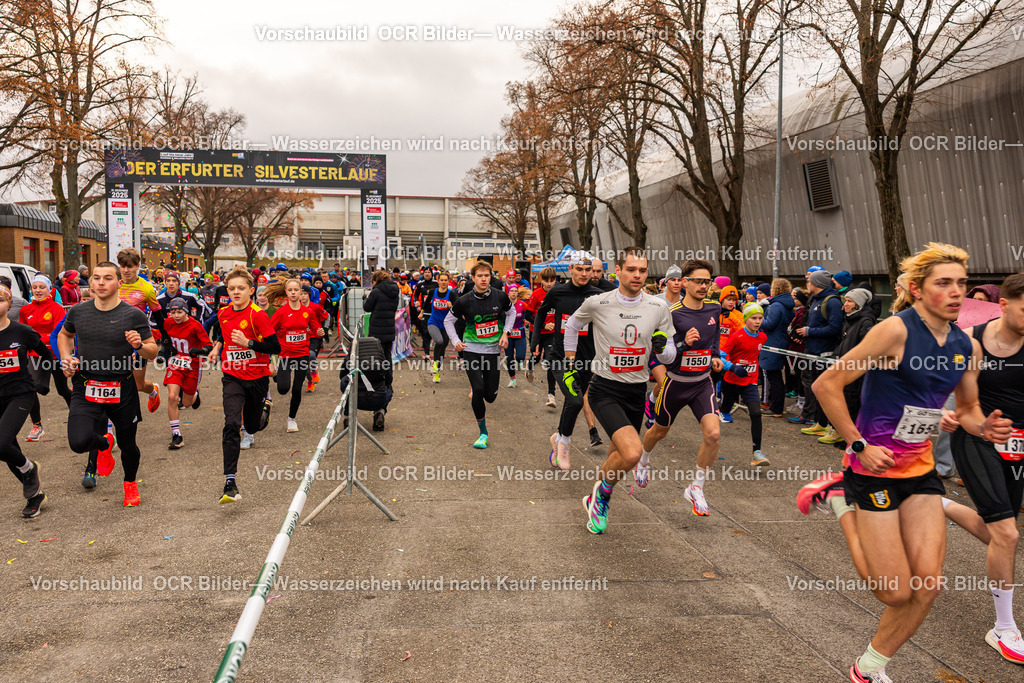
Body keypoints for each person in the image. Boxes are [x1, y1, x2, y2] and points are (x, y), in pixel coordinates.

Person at [796, 243, 980, 683]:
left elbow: (969, 409)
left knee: (928, 585)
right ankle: (839, 499)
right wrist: (858, 444)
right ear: (917, 289)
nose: (956, 291)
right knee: (894, 592)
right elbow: (826, 384)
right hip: (872, 470)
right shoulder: (894, 332)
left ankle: (867, 668)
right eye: (944, 283)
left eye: (961, 283)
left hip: (921, 473)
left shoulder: (965, 345)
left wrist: (983, 425)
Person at [940, 272, 1024, 665]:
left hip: (1018, 444)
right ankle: (1004, 627)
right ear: (1003, 305)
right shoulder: (970, 342)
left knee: (1000, 532)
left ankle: (936, 505)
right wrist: (946, 413)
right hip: (977, 436)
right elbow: (952, 393)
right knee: (1007, 533)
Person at [566, 247, 674, 534]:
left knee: (618, 458)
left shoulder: (657, 307)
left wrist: (662, 350)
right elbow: (572, 325)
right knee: (632, 452)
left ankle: (596, 497)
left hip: (636, 391)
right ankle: (601, 498)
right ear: (618, 271)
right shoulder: (598, 302)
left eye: (642, 270)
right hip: (605, 389)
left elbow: (670, 355)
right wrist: (569, 359)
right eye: (631, 269)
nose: (637, 275)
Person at [59, 262, 157, 506]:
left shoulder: (132, 315)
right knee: (78, 442)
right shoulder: (78, 312)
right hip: (86, 384)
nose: (101, 282)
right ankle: (104, 444)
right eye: (96, 277)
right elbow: (65, 334)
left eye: (107, 278)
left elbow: (153, 351)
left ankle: (130, 484)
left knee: (128, 445)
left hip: (121, 387)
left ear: (119, 283)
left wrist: (139, 346)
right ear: (91, 281)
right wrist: (66, 357)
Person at [638, 260, 724, 511]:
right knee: (659, 432)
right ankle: (643, 460)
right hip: (676, 382)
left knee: (713, 434)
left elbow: (715, 336)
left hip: (702, 383)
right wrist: (684, 343)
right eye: (698, 281)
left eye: (707, 282)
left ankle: (696, 486)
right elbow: (663, 355)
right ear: (685, 282)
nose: (703, 286)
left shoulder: (714, 308)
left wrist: (715, 356)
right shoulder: (672, 313)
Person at [206, 267, 279, 503]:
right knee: (231, 423)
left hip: (257, 377)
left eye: (241, 288)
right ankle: (230, 482)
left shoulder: (258, 315)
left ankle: (265, 406)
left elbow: (275, 347)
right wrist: (217, 348)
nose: (236, 292)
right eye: (231, 289)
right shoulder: (223, 313)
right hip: (232, 376)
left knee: (253, 426)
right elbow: (224, 334)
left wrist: (248, 343)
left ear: (251, 290)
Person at [532, 252, 603, 467]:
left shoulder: (599, 295)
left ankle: (558, 437)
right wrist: (534, 341)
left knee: (574, 401)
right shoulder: (557, 292)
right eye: (579, 269)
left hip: (586, 359)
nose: (584, 274)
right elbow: (540, 314)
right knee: (575, 400)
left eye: (588, 270)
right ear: (570, 269)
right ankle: (564, 443)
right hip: (560, 357)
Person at [444, 261, 515, 449]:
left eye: (486, 275)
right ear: (473, 278)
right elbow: (448, 321)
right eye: (480, 276)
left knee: (490, 396)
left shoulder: (500, 296)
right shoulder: (464, 300)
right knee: (477, 388)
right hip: (471, 350)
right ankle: (483, 432)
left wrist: (506, 333)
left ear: (490, 277)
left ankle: (485, 389)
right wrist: (455, 341)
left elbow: (512, 312)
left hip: (492, 351)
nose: (483, 279)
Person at [0, 283, 52, 517]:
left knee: (1, 444)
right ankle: (35, 495)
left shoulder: (22, 332)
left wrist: (44, 381)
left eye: (0, 300)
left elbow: (46, 355)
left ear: (10, 304)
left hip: (20, 393)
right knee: (7, 448)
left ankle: (28, 468)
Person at [19, 275, 73, 441]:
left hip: (54, 355)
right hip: (35, 355)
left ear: (49, 289)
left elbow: (58, 333)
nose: (38, 290)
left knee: (62, 389)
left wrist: (37, 338)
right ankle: (37, 425)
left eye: (41, 287)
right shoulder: (25, 310)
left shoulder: (56, 308)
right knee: (31, 388)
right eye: (35, 287)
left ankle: (77, 414)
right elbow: (23, 333)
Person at [269, 279, 324, 432]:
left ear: (301, 292)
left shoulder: (308, 311)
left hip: (302, 354)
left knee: (297, 389)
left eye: (296, 290)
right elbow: (269, 331)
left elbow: (315, 328)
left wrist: (319, 331)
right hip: (286, 354)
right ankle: (277, 374)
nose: (293, 293)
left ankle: (291, 419)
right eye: (290, 290)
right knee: (283, 389)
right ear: (286, 293)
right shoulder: (281, 312)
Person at [719, 302, 769, 466]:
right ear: (746, 319)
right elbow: (720, 356)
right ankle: (719, 413)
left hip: (750, 382)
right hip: (732, 381)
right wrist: (732, 367)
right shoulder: (737, 336)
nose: (758, 321)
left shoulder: (763, 337)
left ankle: (757, 453)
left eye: (760, 318)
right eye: (754, 318)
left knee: (756, 413)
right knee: (724, 410)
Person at [794, 269, 843, 436]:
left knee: (824, 390)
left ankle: (829, 425)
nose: (807, 284)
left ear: (818, 283)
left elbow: (834, 328)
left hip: (825, 353)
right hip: (812, 351)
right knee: (815, 388)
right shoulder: (815, 299)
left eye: (810, 281)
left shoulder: (832, 301)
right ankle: (819, 422)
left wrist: (810, 332)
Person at [161, 297, 211, 449]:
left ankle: (194, 394)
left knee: (187, 403)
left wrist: (200, 351)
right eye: (173, 312)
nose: (176, 316)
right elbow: (164, 336)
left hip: (192, 365)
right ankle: (177, 435)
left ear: (186, 312)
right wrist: (166, 347)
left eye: (179, 312)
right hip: (175, 363)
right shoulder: (168, 322)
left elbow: (208, 345)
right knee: (172, 397)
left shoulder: (195, 325)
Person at [116, 248, 162, 413]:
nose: (126, 270)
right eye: (123, 266)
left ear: (137, 266)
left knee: (138, 385)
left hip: (138, 339)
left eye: (130, 266)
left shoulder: (147, 287)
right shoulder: (113, 284)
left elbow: (158, 314)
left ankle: (152, 389)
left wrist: (166, 338)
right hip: (115, 339)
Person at [758, 279, 795, 418]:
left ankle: (776, 407)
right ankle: (775, 405)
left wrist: (758, 318)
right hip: (780, 340)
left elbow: (769, 324)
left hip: (772, 342)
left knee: (773, 376)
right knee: (776, 375)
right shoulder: (786, 304)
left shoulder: (776, 305)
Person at [525, 267, 559, 406]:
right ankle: (530, 367)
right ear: (541, 280)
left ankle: (551, 395)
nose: (549, 283)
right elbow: (528, 315)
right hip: (537, 333)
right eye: (546, 280)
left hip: (552, 334)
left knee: (551, 361)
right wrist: (544, 325)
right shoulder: (536, 295)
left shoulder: (558, 293)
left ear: (555, 280)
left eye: (552, 280)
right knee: (536, 357)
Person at [423, 271, 455, 383]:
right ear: (438, 281)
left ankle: (436, 372)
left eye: (445, 280)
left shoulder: (451, 294)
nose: (443, 282)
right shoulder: (433, 292)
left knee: (442, 350)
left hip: (446, 325)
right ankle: (434, 364)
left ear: (448, 281)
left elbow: (457, 308)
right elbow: (426, 303)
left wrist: (451, 306)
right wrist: (421, 312)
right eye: (441, 280)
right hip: (433, 323)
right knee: (439, 341)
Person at [504, 285, 529, 388]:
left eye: (515, 291)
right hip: (508, 336)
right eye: (512, 291)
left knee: (520, 356)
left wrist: (527, 320)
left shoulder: (522, 304)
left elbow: (529, 315)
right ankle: (512, 379)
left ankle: (519, 362)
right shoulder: (504, 305)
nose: (514, 293)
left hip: (520, 334)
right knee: (509, 358)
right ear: (508, 293)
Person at [413, 269, 439, 358]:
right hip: (424, 311)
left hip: (435, 311)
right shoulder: (420, 284)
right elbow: (415, 294)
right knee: (425, 332)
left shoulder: (436, 283)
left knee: (436, 332)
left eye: (429, 272)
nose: (427, 274)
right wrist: (416, 301)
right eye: (425, 272)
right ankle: (427, 353)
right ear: (423, 274)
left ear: (431, 274)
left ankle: (437, 352)